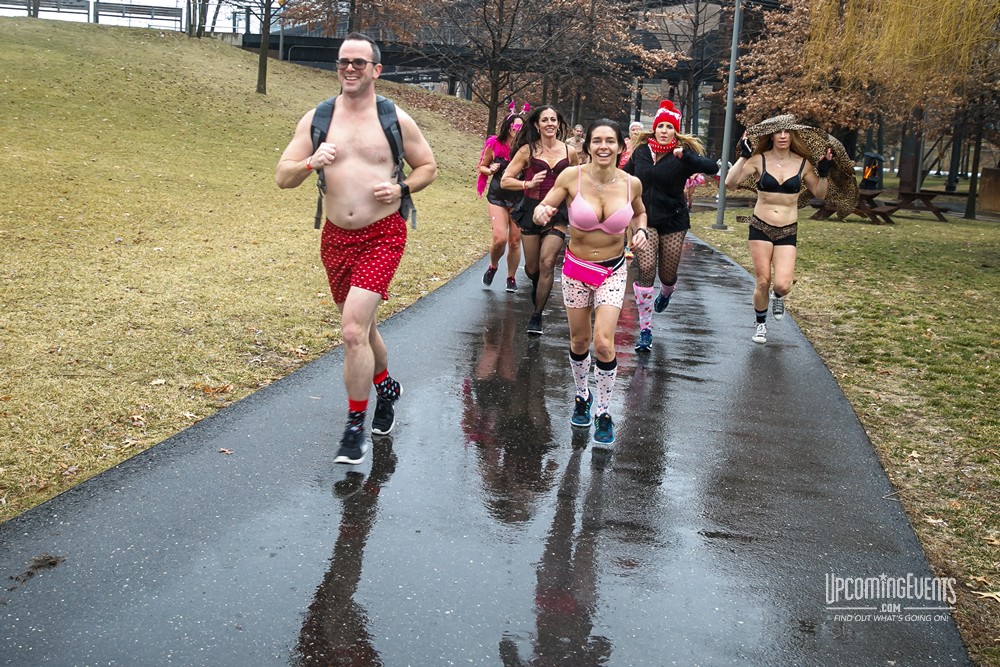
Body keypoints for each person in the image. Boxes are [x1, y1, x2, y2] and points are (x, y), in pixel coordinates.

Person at [276, 32, 437, 464]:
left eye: (359, 62)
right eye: (344, 61)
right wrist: (312, 162)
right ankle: (387, 388)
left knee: (351, 330)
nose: (350, 68)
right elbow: (283, 175)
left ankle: (354, 428)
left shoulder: (395, 119)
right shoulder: (319, 118)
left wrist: (400, 186)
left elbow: (428, 166)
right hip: (335, 237)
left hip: (383, 233)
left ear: (376, 70)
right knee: (361, 328)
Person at [533, 119, 648, 448]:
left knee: (603, 343)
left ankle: (604, 411)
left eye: (610, 141)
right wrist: (542, 211)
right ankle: (582, 396)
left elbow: (640, 214)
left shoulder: (631, 184)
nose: (603, 147)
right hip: (576, 268)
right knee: (580, 340)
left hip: (613, 268)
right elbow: (548, 203)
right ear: (588, 146)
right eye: (597, 140)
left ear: (620, 146)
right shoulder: (572, 177)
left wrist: (639, 230)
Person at [724, 114, 833, 344]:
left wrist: (824, 173)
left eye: (787, 132)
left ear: (792, 135)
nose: (782, 136)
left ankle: (778, 296)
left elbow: (820, 194)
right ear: (771, 135)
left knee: (782, 284)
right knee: (763, 280)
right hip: (760, 226)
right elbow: (730, 183)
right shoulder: (758, 160)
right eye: (778, 132)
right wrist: (744, 156)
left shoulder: (803, 163)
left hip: (787, 229)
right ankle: (761, 325)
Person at [623, 100, 718, 352]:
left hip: (674, 221)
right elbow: (623, 176)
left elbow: (712, 167)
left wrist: (686, 156)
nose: (664, 130)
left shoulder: (682, 155)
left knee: (667, 275)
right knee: (645, 269)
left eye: (669, 127)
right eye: (660, 126)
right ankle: (645, 330)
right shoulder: (641, 152)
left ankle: (666, 293)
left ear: (675, 131)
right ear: (653, 129)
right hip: (644, 220)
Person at [501, 105, 580, 335]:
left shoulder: (570, 152)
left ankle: (536, 315)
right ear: (537, 124)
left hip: (558, 213)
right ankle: (536, 283)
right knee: (533, 268)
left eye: (553, 119)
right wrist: (528, 183)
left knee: (547, 263)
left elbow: (578, 182)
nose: (549, 123)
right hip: (532, 209)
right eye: (544, 120)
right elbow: (506, 180)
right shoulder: (527, 151)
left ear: (558, 123)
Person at [476, 108, 525, 291]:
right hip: (498, 196)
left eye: (520, 126)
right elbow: (482, 167)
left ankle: (511, 277)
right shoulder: (494, 144)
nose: (516, 129)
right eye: (513, 125)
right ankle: (493, 266)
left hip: (519, 198)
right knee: (499, 239)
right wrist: (490, 170)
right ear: (507, 126)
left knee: (514, 241)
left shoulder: (527, 147)